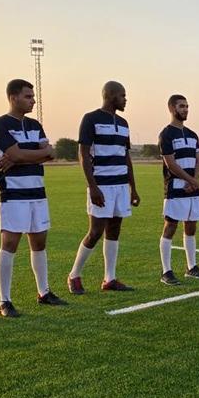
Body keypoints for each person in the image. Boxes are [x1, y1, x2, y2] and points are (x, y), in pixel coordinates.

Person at [0, 79, 65, 317]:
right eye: (28, 97)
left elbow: (51, 153)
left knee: (39, 242)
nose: (33, 100)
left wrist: (21, 156)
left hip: (38, 192)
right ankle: (4, 300)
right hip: (13, 193)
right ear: (13, 97)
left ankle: (43, 292)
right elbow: (15, 153)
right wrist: (26, 155)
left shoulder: (35, 124)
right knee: (10, 244)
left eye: (33, 96)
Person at [67, 81, 140, 294]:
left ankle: (110, 278)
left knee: (114, 229)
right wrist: (93, 187)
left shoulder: (124, 123)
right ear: (110, 96)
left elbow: (125, 156)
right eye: (122, 95)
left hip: (120, 187)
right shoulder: (91, 119)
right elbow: (83, 154)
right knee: (96, 231)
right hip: (102, 186)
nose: (125, 99)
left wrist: (132, 188)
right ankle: (74, 275)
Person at [156, 94, 199, 285]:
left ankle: (191, 267)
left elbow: (198, 160)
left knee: (191, 226)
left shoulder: (193, 135)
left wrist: (194, 180)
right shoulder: (166, 134)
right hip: (175, 188)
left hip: (192, 188)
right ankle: (166, 271)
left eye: (187, 106)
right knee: (170, 226)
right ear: (172, 108)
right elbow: (170, 164)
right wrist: (189, 180)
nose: (186, 109)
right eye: (181, 106)